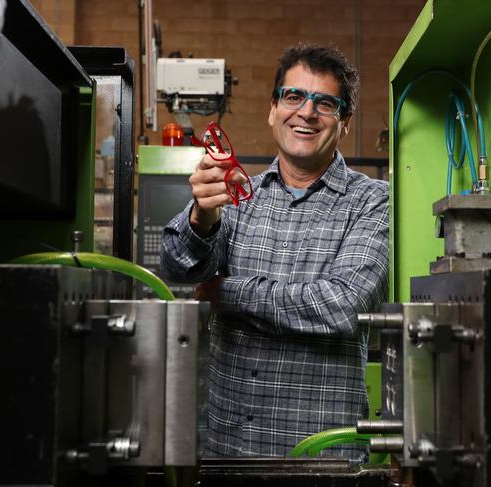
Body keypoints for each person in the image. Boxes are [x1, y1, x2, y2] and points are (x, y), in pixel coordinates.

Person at [160, 42, 389, 459]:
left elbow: (342, 306)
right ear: (273, 109)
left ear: (345, 122)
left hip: (323, 461)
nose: (306, 112)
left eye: (325, 103)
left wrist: (225, 293)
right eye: (294, 96)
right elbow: (178, 267)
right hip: (228, 452)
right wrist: (202, 218)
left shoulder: (373, 201)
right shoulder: (238, 195)